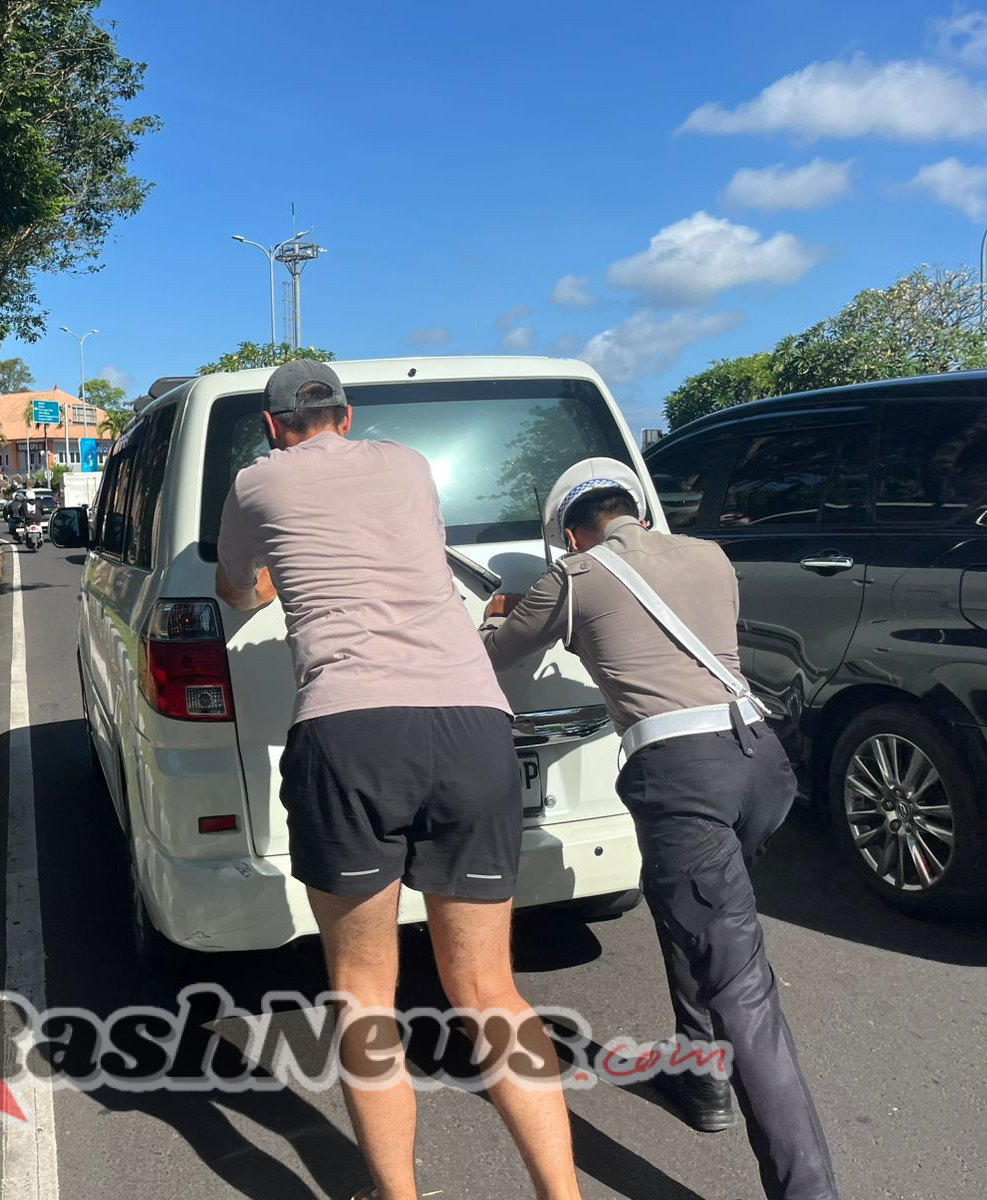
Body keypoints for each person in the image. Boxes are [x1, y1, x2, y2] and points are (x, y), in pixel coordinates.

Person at [215, 360, 585, 1200]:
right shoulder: (411, 465)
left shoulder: (254, 482)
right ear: (346, 416)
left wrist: (258, 578)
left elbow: (240, 590)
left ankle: (397, 1196)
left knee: (363, 995)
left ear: (274, 427)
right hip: (472, 722)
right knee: (490, 988)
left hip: (348, 729)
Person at [479, 458, 839, 1200]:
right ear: (636, 511)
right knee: (690, 910)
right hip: (761, 765)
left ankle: (808, 1190)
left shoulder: (573, 578)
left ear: (573, 533)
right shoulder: (710, 555)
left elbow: (496, 655)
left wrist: (498, 615)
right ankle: (701, 1080)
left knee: (742, 985)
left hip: (682, 779)